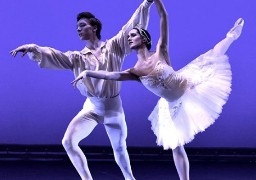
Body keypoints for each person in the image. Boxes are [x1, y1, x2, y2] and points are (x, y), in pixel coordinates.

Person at [71, 0, 244, 179]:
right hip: (171, 105)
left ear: (144, 38)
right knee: (176, 144)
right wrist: (87, 72)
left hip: (188, 87)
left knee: (214, 55)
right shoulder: (135, 71)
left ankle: (231, 35)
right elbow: (110, 75)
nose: (129, 38)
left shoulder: (161, 50)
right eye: (128, 36)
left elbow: (164, 17)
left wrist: (156, 1)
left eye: (133, 35)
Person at [10, 0, 153, 179]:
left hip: (113, 108)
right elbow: (55, 55)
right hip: (92, 107)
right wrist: (33, 48)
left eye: (82, 25)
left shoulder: (114, 47)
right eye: (77, 27)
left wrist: (146, 4)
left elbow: (132, 27)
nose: (78, 29)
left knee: (119, 148)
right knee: (68, 142)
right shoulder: (77, 57)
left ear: (94, 27)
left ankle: (130, 178)